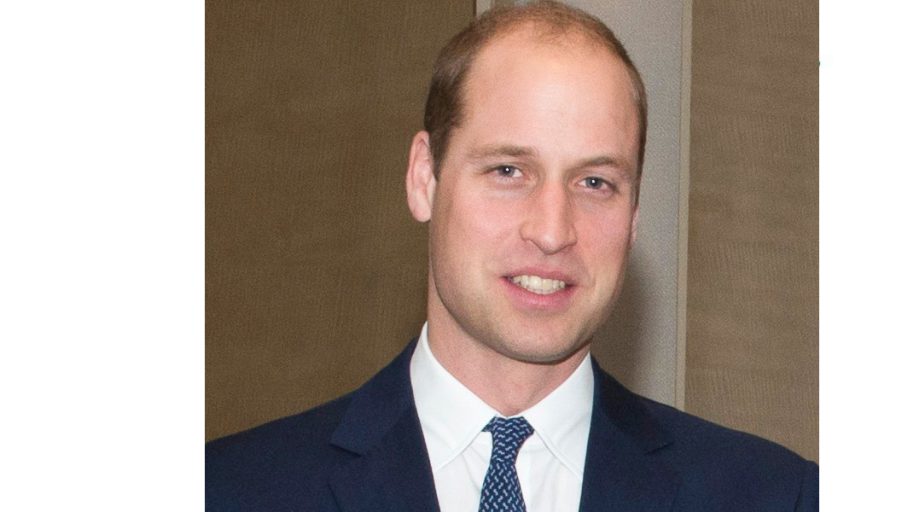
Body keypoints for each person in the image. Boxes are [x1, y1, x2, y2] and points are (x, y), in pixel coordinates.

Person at [206, 2, 819, 511]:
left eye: (595, 182)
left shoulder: (775, 496)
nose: (552, 232)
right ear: (424, 178)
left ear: (635, 215)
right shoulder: (227, 491)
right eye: (508, 170)